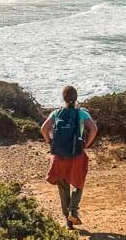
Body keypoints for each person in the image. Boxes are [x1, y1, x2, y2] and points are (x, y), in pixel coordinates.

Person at [40, 85, 98, 228]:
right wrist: (85, 144)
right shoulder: (82, 113)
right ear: (76, 98)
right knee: (79, 184)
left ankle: (68, 221)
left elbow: (43, 129)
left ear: (63, 98)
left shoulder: (56, 113)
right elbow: (94, 129)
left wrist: (51, 142)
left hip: (59, 154)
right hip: (76, 154)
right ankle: (73, 210)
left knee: (63, 186)